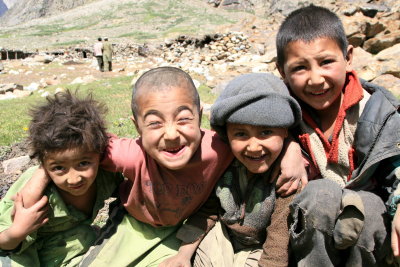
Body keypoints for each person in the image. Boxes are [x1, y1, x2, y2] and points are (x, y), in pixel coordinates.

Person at [19, 67, 306, 266]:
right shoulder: (130, 155)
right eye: (154, 123)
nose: (171, 134)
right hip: (133, 224)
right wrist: (42, 173)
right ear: (137, 127)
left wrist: (292, 148)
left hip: (182, 228)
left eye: (183, 119)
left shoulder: (220, 148)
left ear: (200, 117)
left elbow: (261, 137)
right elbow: (74, 145)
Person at [276, 5, 400, 266]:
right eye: (300, 68)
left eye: (326, 62)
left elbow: (396, 166)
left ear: (349, 56)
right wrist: (288, 146)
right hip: (311, 227)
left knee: (365, 207)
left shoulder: (379, 112)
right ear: (281, 72)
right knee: (319, 194)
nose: (316, 79)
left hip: (369, 228)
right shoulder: (281, 117)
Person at [160, 73, 303, 267]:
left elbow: (279, 238)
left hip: (262, 250)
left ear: (285, 130)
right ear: (226, 135)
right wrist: (183, 255)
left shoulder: (287, 177)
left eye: (266, 132)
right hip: (223, 238)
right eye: (241, 134)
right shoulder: (222, 164)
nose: (253, 147)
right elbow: (208, 211)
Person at [0, 91, 122, 266]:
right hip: (20, 253)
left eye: (83, 163)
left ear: (99, 154)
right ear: (43, 165)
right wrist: (18, 231)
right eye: (59, 168)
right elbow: (4, 242)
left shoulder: (106, 175)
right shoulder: (32, 186)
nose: (73, 179)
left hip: (71, 251)